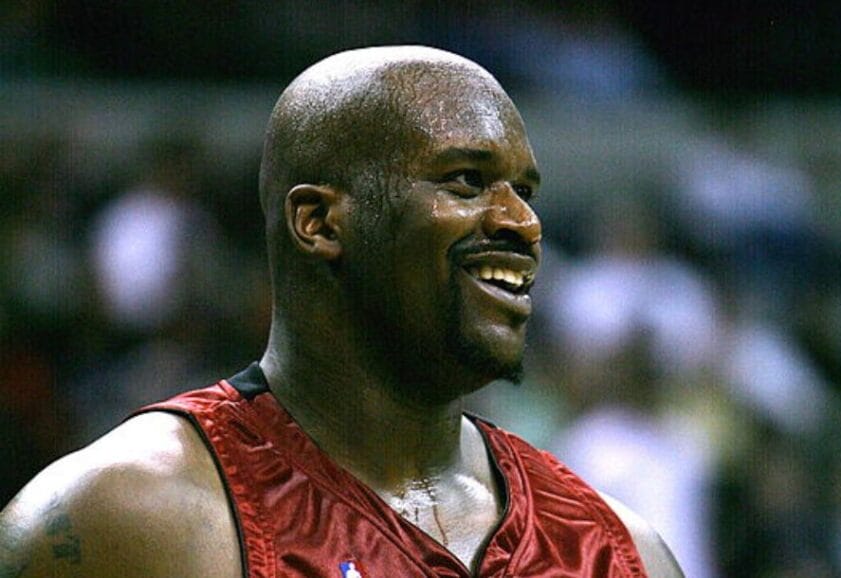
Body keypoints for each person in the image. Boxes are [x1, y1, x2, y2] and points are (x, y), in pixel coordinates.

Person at [0, 46, 684, 577]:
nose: (522, 223)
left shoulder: (618, 549)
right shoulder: (129, 523)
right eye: (467, 181)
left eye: (524, 190)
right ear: (319, 222)